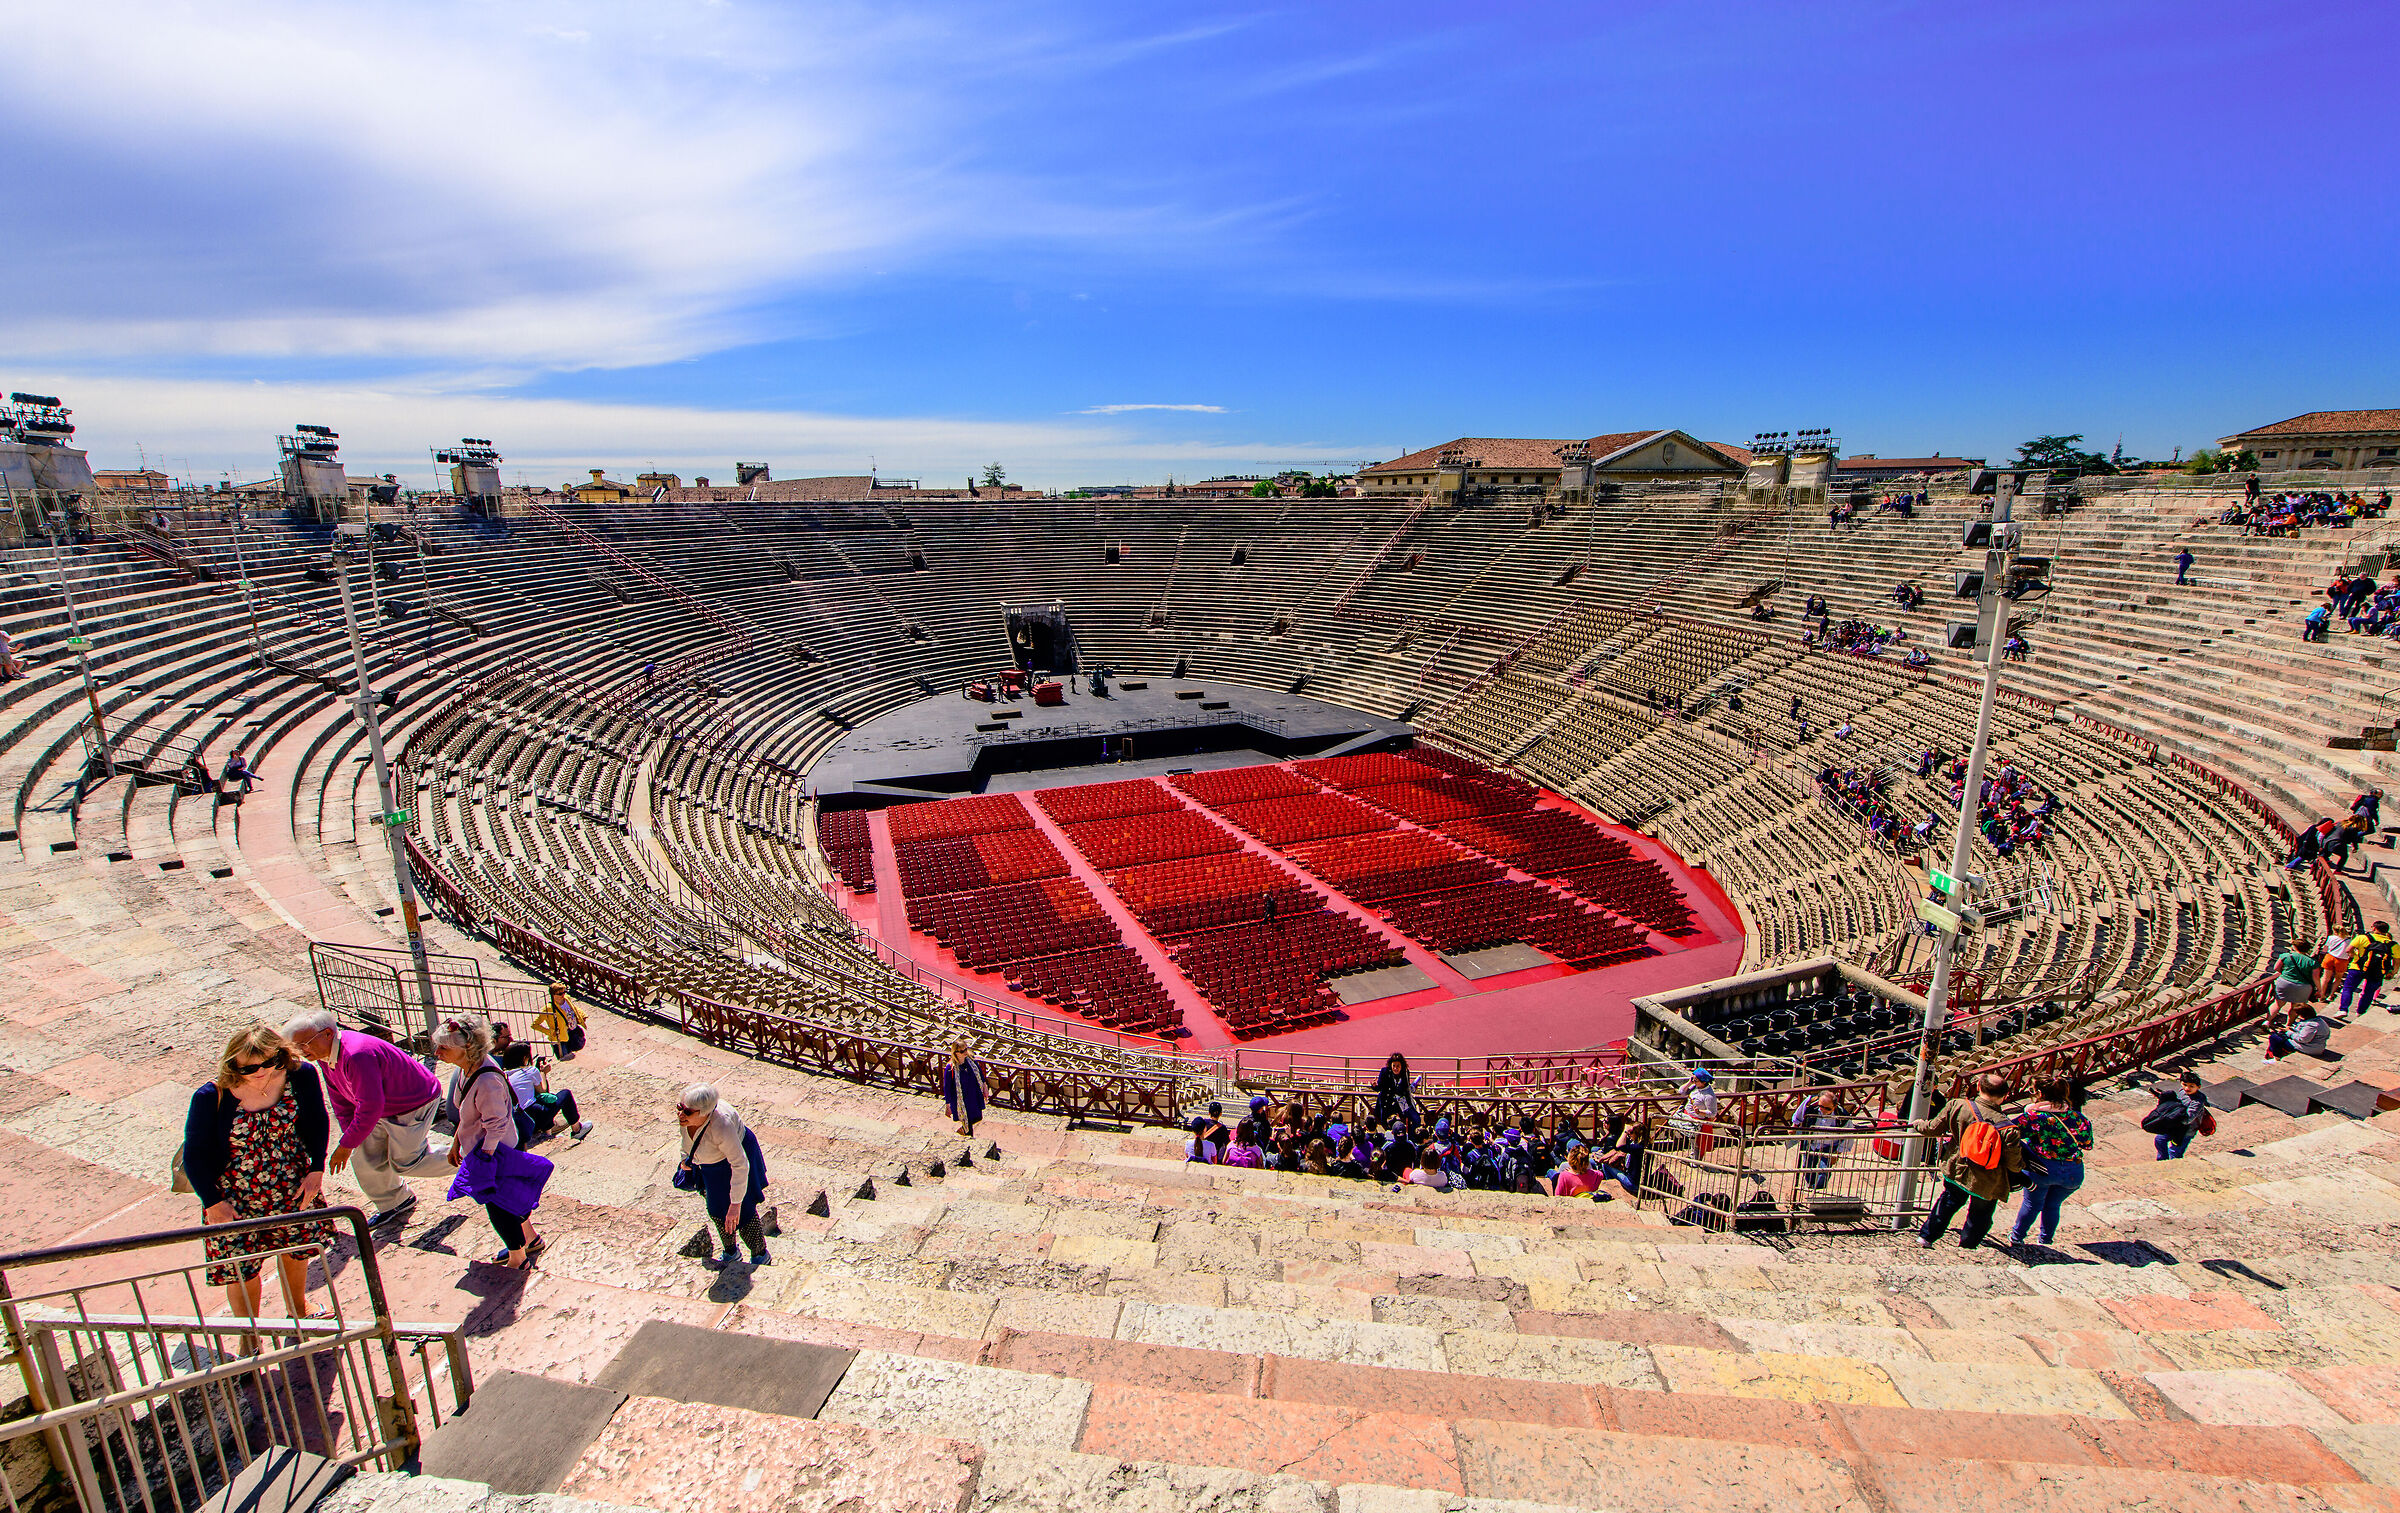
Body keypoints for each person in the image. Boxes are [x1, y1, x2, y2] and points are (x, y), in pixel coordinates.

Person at [183, 1025, 336, 1325]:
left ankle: (298, 1310)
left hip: (290, 1183)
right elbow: (194, 1154)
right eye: (250, 1067)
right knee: (242, 1269)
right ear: (233, 1064)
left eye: (270, 1062)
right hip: (234, 1195)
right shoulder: (209, 1096)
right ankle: (250, 1338)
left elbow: (317, 1121)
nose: (261, 1071)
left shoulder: (300, 1075)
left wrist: (316, 1167)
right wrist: (212, 1202)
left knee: (296, 1251)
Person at [283, 1008, 446, 1227]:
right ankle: (395, 1202)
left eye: (306, 1043)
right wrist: (350, 1137)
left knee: (407, 1162)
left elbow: (371, 1107)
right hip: (382, 1107)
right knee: (364, 1156)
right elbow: (339, 1098)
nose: (302, 1051)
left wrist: (346, 1144)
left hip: (412, 1102)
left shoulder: (356, 1055)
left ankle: (472, 1155)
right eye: (297, 1046)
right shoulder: (325, 1054)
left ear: (328, 1034)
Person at [432, 1015, 546, 1267]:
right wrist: (456, 1142)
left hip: (496, 1151)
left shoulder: (486, 1080)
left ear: (467, 1048)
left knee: (498, 1206)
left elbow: (496, 1124)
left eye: (444, 1047)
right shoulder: (467, 1070)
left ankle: (518, 1258)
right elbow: (466, 1113)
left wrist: (485, 1158)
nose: (437, 1052)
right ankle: (530, 1239)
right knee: (511, 1199)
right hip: (489, 1148)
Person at [1912, 1071, 2023, 1250]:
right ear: (2005, 1096)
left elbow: (1932, 1128)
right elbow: (2013, 1163)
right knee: (1980, 1214)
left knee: (1947, 1203)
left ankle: (1926, 1237)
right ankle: (1967, 1247)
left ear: (1978, 1087)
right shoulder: (2009, 1128)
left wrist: (1917, 1123)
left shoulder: (1957, 1105)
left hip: (1957, 1168)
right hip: (1988, 1180)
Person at [675, 1083, 769, 1267]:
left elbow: (740, 1164)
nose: (680, 1114)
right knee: (716, 1209)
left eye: (686, 1111)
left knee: (743, 1212)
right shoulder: (687, 1119)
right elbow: (685, 1142)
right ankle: (730, 1251)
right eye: (680, 1108)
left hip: (733, 1161)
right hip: (709, 1165)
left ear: (703, 1112)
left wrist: (735, 1203)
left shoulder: (722, 1126)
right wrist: (685, 1159)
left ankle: (759, 1254)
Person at [2005, 1078, 2093, 1249]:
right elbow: (2087, 1145)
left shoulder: (2034, 1117)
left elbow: (2009, 1132)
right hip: (2072, 1172)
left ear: (2039, 1094)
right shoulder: (2079, 1118)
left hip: (2041, 1170)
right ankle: (2046, 1240)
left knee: (2032, 1204)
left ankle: (2017, 1237)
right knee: (2053, 1205)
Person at [499, 1043, 591, 1141]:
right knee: (565, 1095)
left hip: (519, 1120)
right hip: (536, 1116)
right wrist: (542, 1073)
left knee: (537, 1101)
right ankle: (577, 1130)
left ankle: (548, 1134)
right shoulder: (529, 1071)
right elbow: (543, 1091)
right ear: (525, 1058)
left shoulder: (504, 1076)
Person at [2141, 1073, 2208, 1161]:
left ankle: (2174, 1165)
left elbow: (2188, 1119)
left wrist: (2170, 1117)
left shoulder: (2197, 1102)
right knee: (2159, 1140)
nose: (2187, 1088)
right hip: (2173, 1125)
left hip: (2186, 1130)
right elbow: (2177, 1104)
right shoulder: (2182, 1091)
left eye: (2191, 1086)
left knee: (2175, 1151)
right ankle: (2162, 1160)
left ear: (2198, 1087)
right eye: (2185, 1085)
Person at [2340, 921, 2396, 1017]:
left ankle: (2343, 1010)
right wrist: (2392, 972)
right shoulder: (2393, 944)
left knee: (2348, 989)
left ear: (2374, 928)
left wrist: (2355, 956)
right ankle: (2360, 1012)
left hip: (2357, 967)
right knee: (2369, 993)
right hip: (2378, 971)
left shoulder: (2362, 938)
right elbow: (2397, 962)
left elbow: (2348, 950)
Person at [939, 1042, 986, 1137]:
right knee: (967, 1122)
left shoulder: (971, 1061)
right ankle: (969, 1140)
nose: (965, 1052)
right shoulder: (950, 1068)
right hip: (962, 1100)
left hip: (974, 1095)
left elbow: (981, 1075)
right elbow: (947, 1088)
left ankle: (963, 1130)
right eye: (962, 1051)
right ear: (955, 1052)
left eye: (966, 1049)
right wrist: (948, 1105)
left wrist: (985, 1088)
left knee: (977, 1117)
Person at [533, 982, 587, 1059]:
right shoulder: (548, 1009)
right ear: (553, 995)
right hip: (559, 1039)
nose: (563, 995)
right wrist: (550, 1032)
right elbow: (535, 1025)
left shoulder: (567, 999)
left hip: (571, 1031)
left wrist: (582, 1015)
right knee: (564, 1058)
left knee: (573, 1052)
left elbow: (574, 1008)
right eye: (560, 994)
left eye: (564, 992)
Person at [1371, 1053, 1421, 1129]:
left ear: (1402, 1066)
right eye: (1394, 1066)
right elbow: (1379, 1088)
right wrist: (1374, 1086)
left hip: (1402, 1102)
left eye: (1398, 1066)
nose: (1395, 1068)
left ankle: (1411, 1137)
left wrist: (1412, 1088)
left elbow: (1405, 1088)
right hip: (1387, 1103)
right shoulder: (1384, 1072)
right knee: (1386, 1124)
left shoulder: (1405, 1072)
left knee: (1416, 1119)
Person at [2317, 927, 2355, 1002]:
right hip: (2342, 960)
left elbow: (2325, 948)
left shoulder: (2331, 937)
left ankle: (2321, 995)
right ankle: (2331, 995)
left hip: (2330, 957)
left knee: (2325, 978)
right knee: (2337, 978)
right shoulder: (2349, 941)